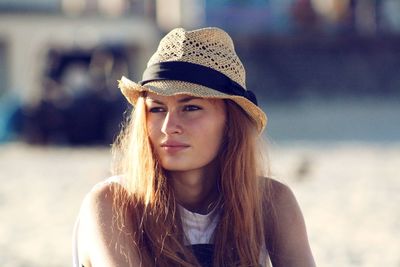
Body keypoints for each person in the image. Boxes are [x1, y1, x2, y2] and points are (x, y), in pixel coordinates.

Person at [73, 27, 316, 267]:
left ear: (231, 123)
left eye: (190, 108)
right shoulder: (113, 203)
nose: (169, 127)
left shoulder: (270, 201)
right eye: (156, 109)